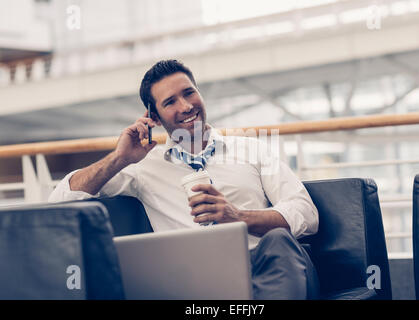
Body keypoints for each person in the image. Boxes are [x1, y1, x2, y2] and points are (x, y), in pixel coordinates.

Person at [49, 59, 320, 300]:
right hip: (199, 280)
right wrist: (120, 158)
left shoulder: (252, 149)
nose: (187, 106)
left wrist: (238, 216)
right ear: (153, 117)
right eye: (170, 102)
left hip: (267, 268)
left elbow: (305, 214)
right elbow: (62, 199)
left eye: (189, 93)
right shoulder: (142, 165)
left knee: (279, 242)